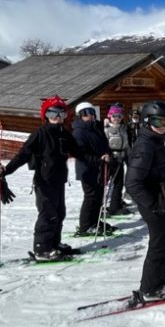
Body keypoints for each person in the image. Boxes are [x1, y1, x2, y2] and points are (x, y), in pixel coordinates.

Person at [0, 95, 108, 261]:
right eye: (52, 113)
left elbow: (79, 153)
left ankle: (54, 244)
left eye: (61, 114)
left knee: (59, 213)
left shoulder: (64, 134)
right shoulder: (40, 134)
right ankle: (42, 249)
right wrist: (6, 170)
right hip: (43, 181)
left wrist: (99, 161)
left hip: (59, 180)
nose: (57, 117)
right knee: (48, 215)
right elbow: (23, 154)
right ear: (45, 115)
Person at [125, 100, 165, 301]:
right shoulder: (144, 146)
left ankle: (160, 277)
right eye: (157, 122)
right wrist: (155, 204)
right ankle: (150, 288)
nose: (163, 127)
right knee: (160, 242)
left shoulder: (157, 142)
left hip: (163, 200)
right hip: (153, 203)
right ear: (146, 122)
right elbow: (133, 184)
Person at [71, 102, 115, 237]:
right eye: (85, 113)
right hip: (87, 169)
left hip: (99, 168)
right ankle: (86, 226)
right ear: (79, 116)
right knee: (91, 197)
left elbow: (103, 143)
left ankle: (95, 222)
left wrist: (108, 154)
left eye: (91, 111)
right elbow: (81, 153)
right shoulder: (79, 131)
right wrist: (99, 160)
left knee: (98, 196)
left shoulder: (95, 127)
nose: (89, 115)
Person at [104, 103, 131, 215]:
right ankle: (103, 205)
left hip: (121, 158)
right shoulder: (106, 129)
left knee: (119, 183)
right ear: (110, 116)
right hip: (110, 159)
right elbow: (103, 144)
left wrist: (128, 156)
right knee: (106, 183)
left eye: (119, 116)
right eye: (114, 116)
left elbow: (126, 144)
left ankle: (115, 204)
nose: (117, 118)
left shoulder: (124, 128)